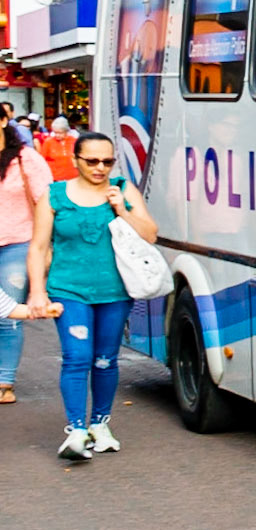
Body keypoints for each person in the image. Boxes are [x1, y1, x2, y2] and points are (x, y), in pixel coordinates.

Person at [26, 131, 159, 460]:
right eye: (92, 161)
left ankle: (100, 423)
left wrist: (122, 209)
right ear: (76, 161)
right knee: (77, 357)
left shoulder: (124, 190)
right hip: (68, 289)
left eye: (108, 161)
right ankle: (76, 429)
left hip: (114, 291)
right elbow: (39, 246)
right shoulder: (55, 195)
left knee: (105, 359)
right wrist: (37, 292)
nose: (100, 168)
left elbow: (151, 235)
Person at [0, 120, 54, 406]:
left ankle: (4, 381)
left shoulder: (26, 159)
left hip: (17, 243)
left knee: (7, 313)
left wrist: (44, 245)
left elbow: (46, 201)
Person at [36, 115, 77, 181]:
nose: (57, 135)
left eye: (60, 133)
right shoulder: (48, 142)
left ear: (66, 131)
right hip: (55, 178)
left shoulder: (74, 141)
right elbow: (42, 160)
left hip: (73, 178)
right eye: (55, 132)